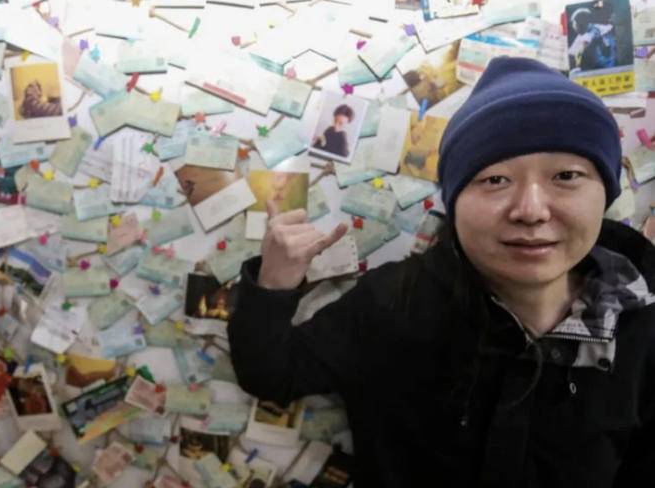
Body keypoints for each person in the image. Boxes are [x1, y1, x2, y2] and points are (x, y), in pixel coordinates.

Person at [228, 57, 655, 487]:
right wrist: (274, 282)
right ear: (454, 201)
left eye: (566, 175)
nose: (531, 210)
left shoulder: (643, 326)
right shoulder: (393, 305)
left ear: (604, 192)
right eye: (495, 180)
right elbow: (271, 373)